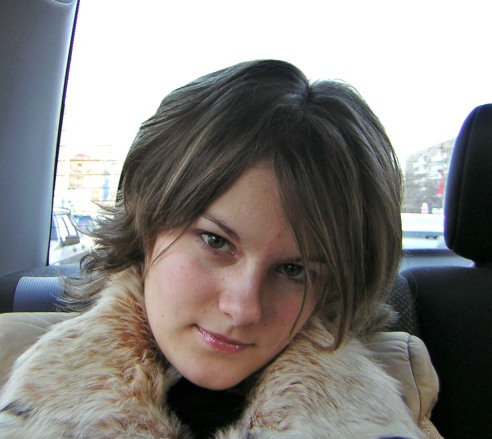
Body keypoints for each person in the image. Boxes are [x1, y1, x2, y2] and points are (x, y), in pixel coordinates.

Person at [0, 60, 440, 438]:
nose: (243, 308)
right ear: (146, 224)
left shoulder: (400, 393)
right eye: (216, 241)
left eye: (294, 270)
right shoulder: (10, 364)